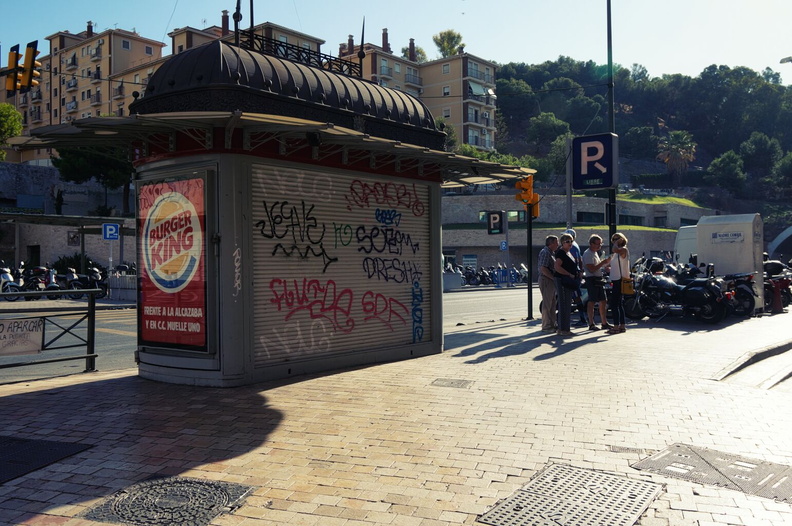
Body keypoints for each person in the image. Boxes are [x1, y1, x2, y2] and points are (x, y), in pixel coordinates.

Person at [582, 234, 613, 331]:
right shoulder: (588, 254)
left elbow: (596, 267)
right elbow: (591, 269)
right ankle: (591, 323)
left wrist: (604, 267)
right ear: (591, 244)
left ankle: (604, 322)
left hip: (598, 279)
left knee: (603, 300)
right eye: (598, 244)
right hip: (592, 279)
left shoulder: (595, 252)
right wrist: (603, 263)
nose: (600, 246)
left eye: (601, 244)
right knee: (591, 301)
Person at [554, 232, 579, 337]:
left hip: (569, 280)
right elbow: (557, 266)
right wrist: (569, 274)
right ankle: (563, 329)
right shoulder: (560, 253)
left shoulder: (569, 253)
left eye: (571, 241)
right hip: (563, 280)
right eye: (567, 241)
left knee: (567, 304)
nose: (570, 243)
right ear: (562, 243)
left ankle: (564, 328)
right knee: (564, 304)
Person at [607, 232, 630, 334]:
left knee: (614, 303)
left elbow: (614, 249)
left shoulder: (623, 250)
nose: (615, 240)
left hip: (620, 279)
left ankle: (616, 326)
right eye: (614, 239)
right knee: (619, 303)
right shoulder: (616, 253)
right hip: (616, 278)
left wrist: (616, 243)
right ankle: (622, 325)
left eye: (617, 238)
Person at [564, 228, 588, 326]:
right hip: (576, 275)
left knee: (574, 298)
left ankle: (582, 320)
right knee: (577, 297)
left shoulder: (572, 247)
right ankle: (582, 319)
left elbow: (572, 261)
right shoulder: (576, 246)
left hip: (572, 276)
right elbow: (580, 260)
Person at [538, 235, 559, 332]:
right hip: (546, 280)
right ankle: (546, 326)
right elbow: (543, 268)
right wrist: (552, 278)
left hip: (550, 280)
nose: (558, 244)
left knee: (552, 303)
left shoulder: (552, 253)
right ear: (551, 243)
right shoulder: (545, 252)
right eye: (556, 242)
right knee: (547, 303)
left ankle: (552, 324)